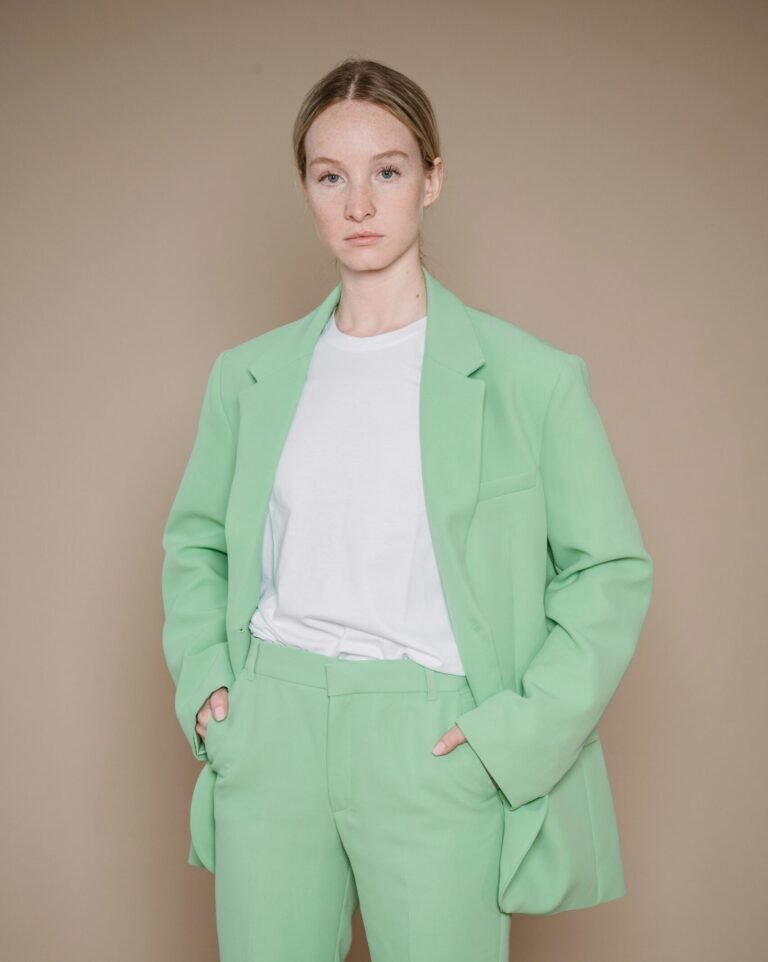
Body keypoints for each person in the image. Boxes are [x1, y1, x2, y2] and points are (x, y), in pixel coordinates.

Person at [161, 57, 654, 962]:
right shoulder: (248, 376)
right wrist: (209, 694)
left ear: (432, 178)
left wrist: (509, 740)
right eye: (330, 177)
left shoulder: (532, 380)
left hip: (434, 739)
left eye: (386, 171)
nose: (359, 204)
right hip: (272, 730)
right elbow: (196, 544)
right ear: (305, 190)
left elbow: (609, 574)